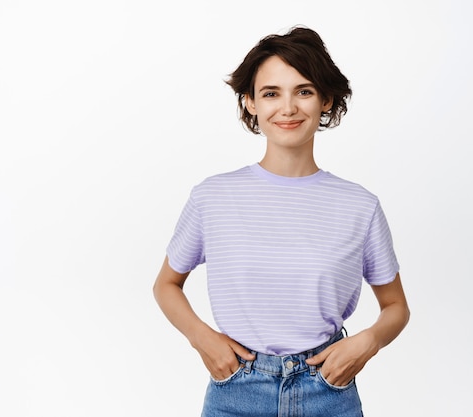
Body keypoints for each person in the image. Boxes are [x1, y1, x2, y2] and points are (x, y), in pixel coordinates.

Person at [153, 26, 410, 417]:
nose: (287, 108)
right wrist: (202, 339)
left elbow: (395, 307)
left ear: (325, 100)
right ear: (250, 103)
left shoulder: (360, 205)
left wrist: (367, 342)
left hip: (327, 389)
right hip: (237, 390)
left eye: (303, 91)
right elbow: (166, 285)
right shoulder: (213, 197)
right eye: (271, 93)